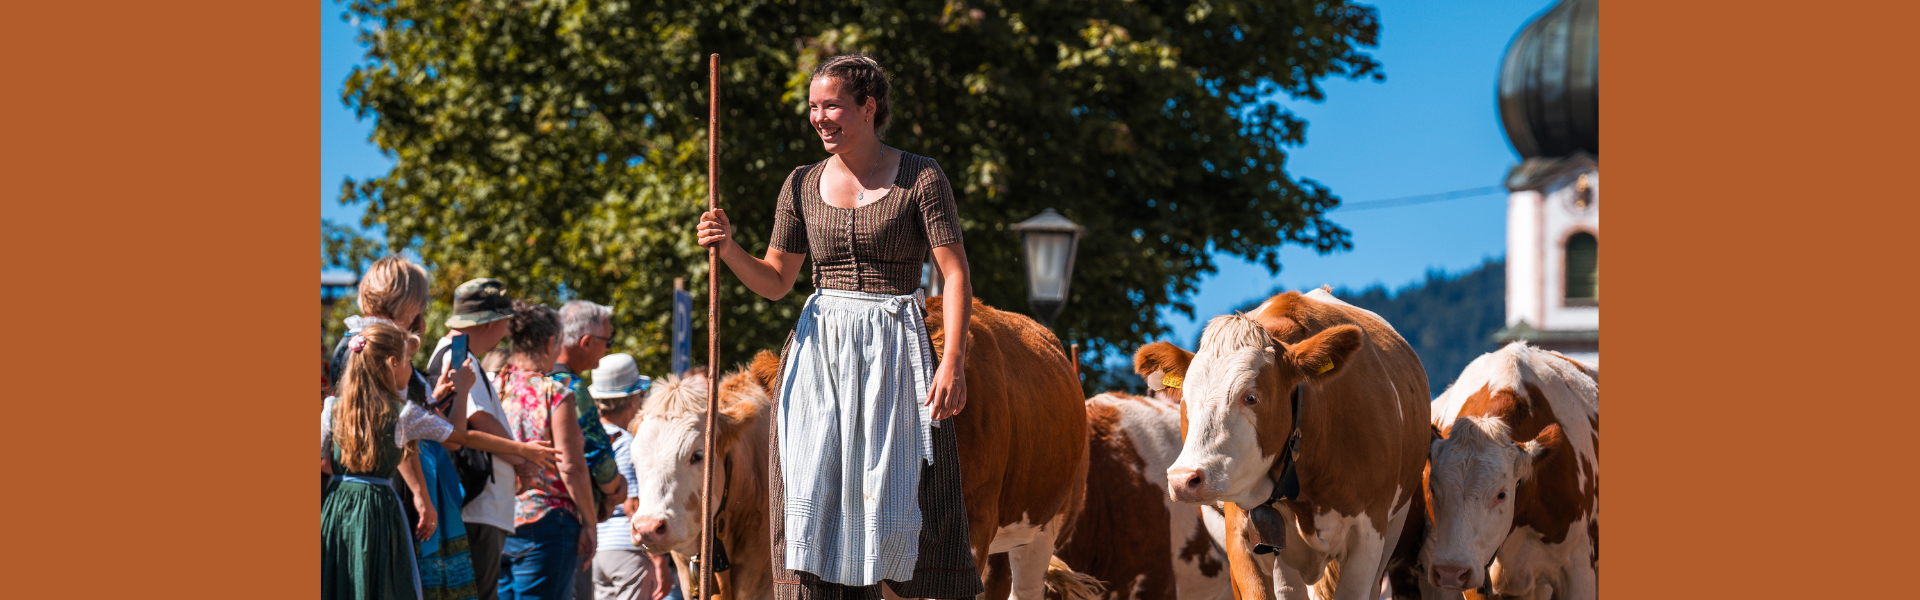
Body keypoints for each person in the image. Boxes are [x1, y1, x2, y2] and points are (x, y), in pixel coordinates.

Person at [697, 54, 980, 600]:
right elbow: (777, 281)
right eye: (813, 108)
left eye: (832, 106)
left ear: (868, 107)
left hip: (896, 348)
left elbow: (955, 271)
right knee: (814, 482)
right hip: (820, 351)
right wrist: (728, 248)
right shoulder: (801, 183)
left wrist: (953, 360)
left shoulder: (921, 176)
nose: (820, 118)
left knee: (907, 486)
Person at [432, 278, 528, 600]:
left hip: (478, 502)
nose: (506, 329)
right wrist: (523, 460)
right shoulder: (459, 359)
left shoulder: (461, 356)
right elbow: (479, 420)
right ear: (490, 321)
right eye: (504, 321)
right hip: (478, 502)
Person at [497, 301, 598, 599]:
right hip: (548, 522)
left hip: (500, 516)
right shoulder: (553, 393)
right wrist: (590, 523)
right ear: (551, 342)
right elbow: (571, 466)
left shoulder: (494, 386)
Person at [583, 353, 680, 600]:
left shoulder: (587, 439)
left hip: (596, 550)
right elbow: (632, 506)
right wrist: (658, 560)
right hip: (627, 551)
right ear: (631, 401)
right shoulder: (628, 444)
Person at [553, 300, 629, 526]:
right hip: (566, 517)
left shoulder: (528, 382)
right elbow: (595, 452)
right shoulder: (572, 388)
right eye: (608, 342)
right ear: (586, 342)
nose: (608, 349)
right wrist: (616, 489)